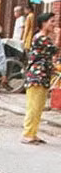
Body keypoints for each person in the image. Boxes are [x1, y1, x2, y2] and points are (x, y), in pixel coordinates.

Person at [22, 12, 59, 145]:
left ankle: (32, 133)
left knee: (38, 107)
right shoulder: (41, 38)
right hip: (36, 77)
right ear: (43, 23)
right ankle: (27, 134)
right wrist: (58, 36)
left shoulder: (43, 37)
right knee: (33, 106)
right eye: (51, 21)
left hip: (42, 76)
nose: (54, 24)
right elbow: (54, 50)